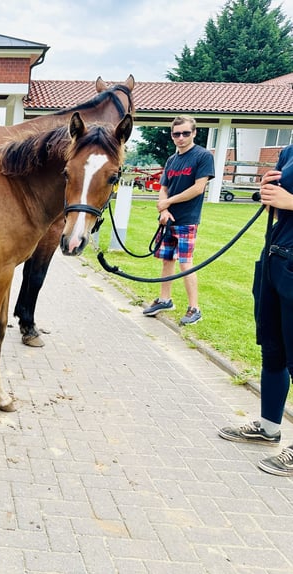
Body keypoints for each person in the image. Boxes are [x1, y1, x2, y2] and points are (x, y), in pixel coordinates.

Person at [218, 144, 293, 477]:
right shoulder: (289, 150)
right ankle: (268, 427)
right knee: (273, 350)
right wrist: (268, 194)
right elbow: (277, 210)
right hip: (276, 259)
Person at [142, 116, 215, 325]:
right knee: (167, 260)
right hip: (168, 220)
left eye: (185, 133)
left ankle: (194, 308)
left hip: (187, 219)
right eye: (176, 134)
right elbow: (163, 187)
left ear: (194, 133)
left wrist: (168, 203)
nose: (181, 138)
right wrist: (164, 210)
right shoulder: (172, 160)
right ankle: (165, 300)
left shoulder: (202, 156)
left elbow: (198, 188)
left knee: (186, 263)